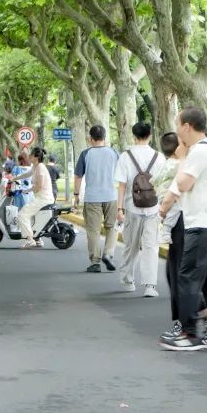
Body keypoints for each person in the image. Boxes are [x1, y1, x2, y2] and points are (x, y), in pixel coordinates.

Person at [158, 107, 207, 351]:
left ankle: (190, 334)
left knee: (187, 277)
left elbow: (183, 183)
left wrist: (181, 160)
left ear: (187, 126)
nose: (177, 131)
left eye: (178, 125)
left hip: (202, 225)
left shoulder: (199, 151)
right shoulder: (205, 149)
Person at [155, 132, 207, 342]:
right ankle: (199, 314)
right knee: (178, 272)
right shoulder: (187, 161)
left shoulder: (184, 164)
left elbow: (176, 189)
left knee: (178, 273)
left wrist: (162, 210)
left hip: (182, 221)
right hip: (189, 222)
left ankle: (187, 324)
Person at [114, 122, 165, 297]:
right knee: (151, 247)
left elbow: (121, 185)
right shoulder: (159, 157)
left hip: (131, 207)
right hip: (153, 208)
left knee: (130, 246)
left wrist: (119, 208)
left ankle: (128, 280)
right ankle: (150, 286)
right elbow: (163, 185)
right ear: (150, 135)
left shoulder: (125, 156)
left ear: (134, 136)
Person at [73, 124, 119, 273]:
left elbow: (78, 176)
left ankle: (95, 262)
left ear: (90, 138)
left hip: (92, 197)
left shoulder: (85, 154)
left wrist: (76, 195)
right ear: (104, 138)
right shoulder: (114, 152)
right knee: (112, 227)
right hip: (111, 196)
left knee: (93, 230)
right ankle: (109, 254)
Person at [17, 147, 55, 248]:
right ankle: (37, 239)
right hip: (41, 198)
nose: (29, 156)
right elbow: (26, 174)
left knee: (22, 214)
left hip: (43, 199)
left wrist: (29, 190)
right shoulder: (35, 166)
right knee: (33, 217)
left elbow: (40, 185)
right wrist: (14, 179)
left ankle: (30, 239)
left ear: (36, 157)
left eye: (31, 155)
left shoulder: (40, 167)